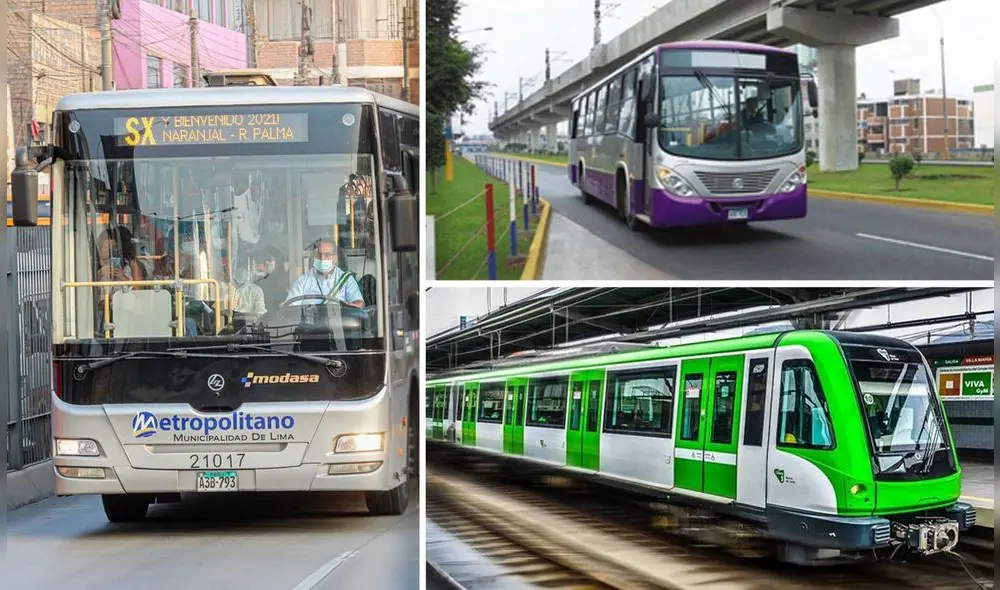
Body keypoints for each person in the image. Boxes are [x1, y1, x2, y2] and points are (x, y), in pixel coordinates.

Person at [284, 238, 364, 308]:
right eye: (319, 255)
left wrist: (345, 306)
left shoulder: (346, 279)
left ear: (335, 258)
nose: (322, 258)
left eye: (327, 255)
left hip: (339, 323)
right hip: (309, 324)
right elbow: (290, 307)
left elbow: (359, 304)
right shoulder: (302, 281)